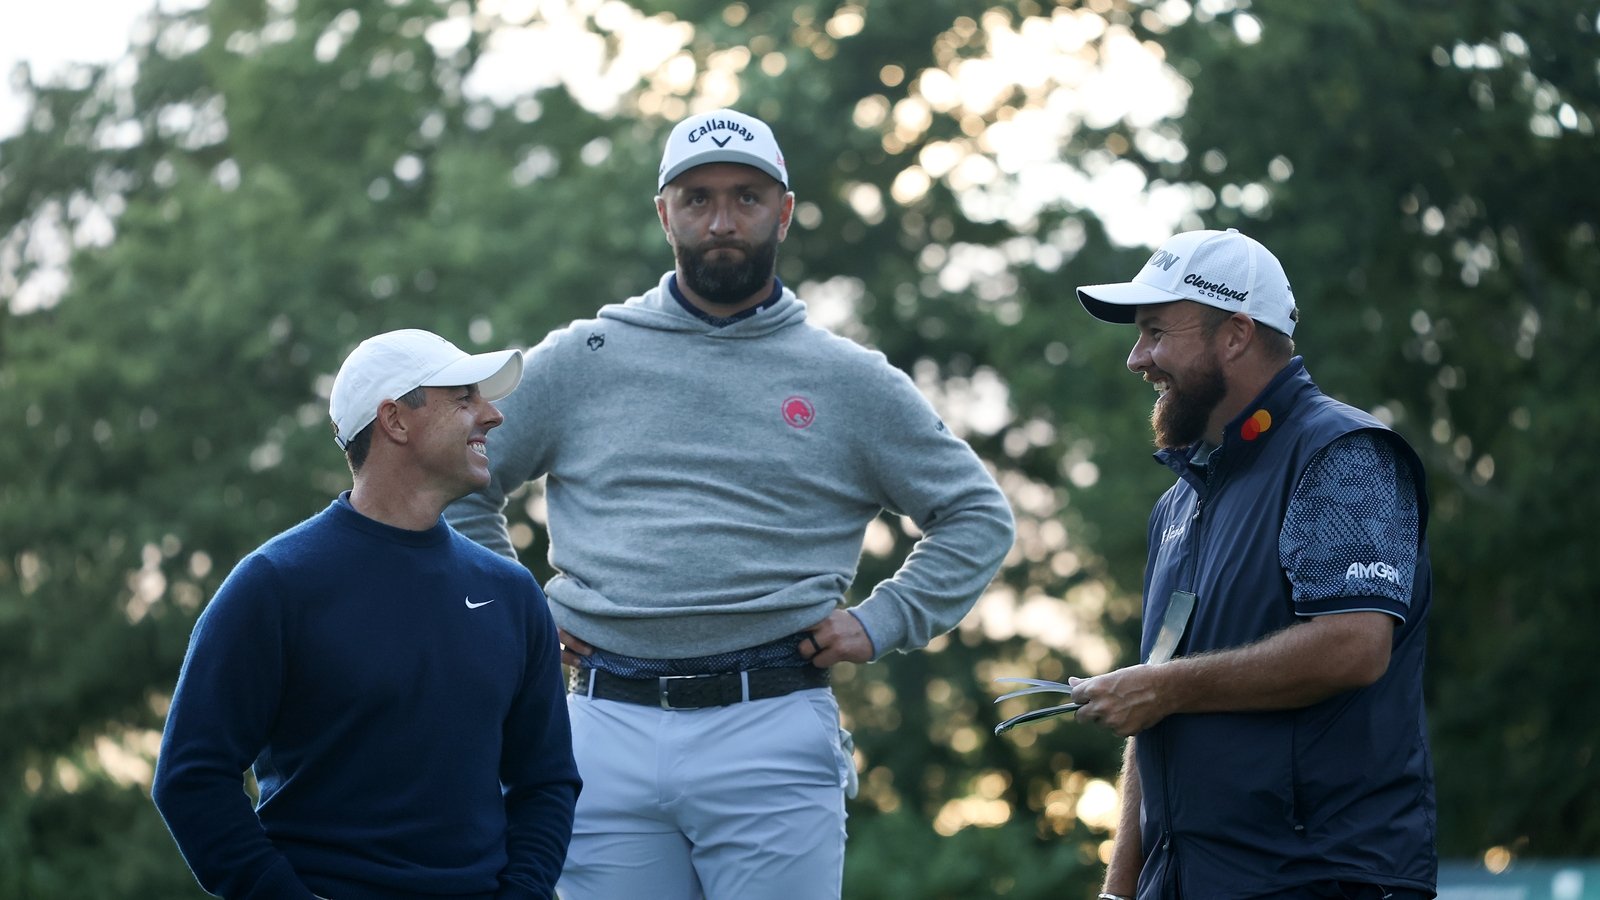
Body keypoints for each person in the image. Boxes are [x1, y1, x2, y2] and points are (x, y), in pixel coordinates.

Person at [444, 108, 1015, 900]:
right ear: (664, 213)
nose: (722, 220)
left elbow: (977, 515)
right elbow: (459, 482)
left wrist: (881, 621)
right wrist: (520, 615)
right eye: (698, 197)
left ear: (783, 211)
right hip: (599, 724)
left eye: (746, 198)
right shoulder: (582, 357)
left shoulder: (849, 380)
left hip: (773, 725)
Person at [1069, 228, 1437, 899]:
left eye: (1154, 331)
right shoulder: (1179, 502)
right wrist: (1121, 891)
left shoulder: (1342, 453)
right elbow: (1153, 697)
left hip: (1319, 881)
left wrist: (1169, 688)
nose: (1136, 358)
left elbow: (1355, 648)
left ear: (1235, 335)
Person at [152, 329, 581, 899]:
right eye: (463, 398)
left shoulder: (511, 591)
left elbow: (546, 781)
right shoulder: (275, 585)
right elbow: (191, 778)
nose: (492, 415)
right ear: (395, 421)